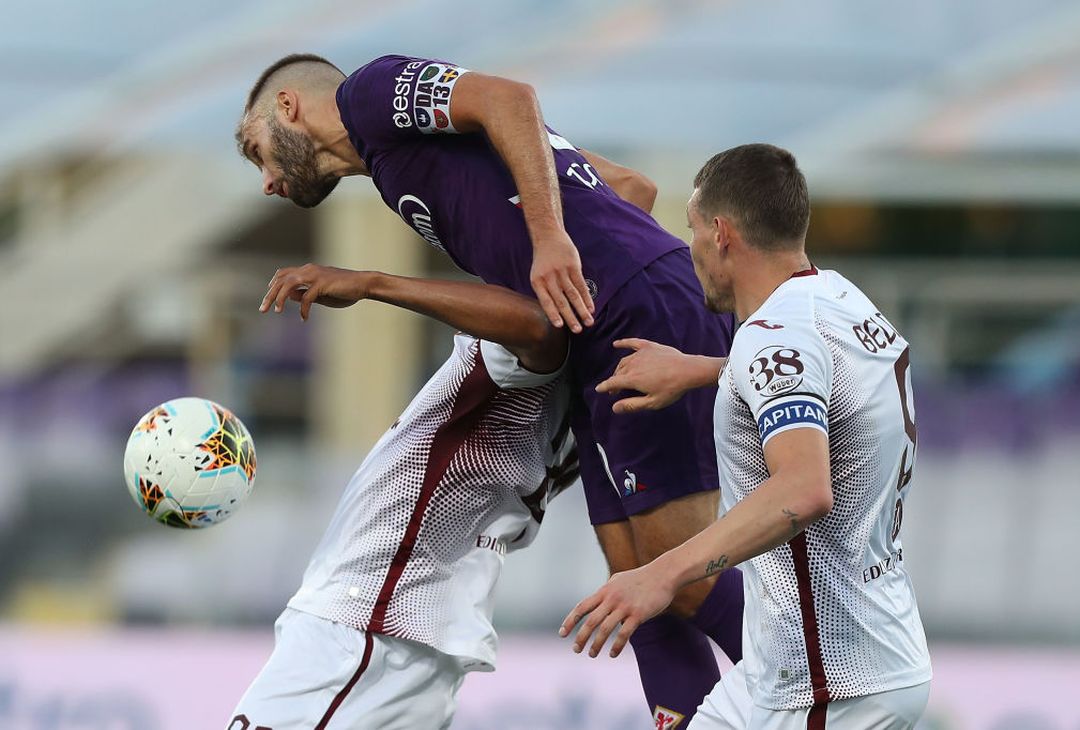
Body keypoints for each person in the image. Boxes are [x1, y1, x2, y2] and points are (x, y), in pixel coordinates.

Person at [234, 53, 743, 726]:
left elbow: (508, 96)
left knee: (682, 573)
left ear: (289, 107)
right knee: (636, 578)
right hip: (598, 327)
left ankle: (837, 691)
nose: (267, 180)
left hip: (637, 310)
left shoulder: (368, 95)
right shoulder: (403, 167)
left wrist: (554, 241)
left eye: (257, 150)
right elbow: (630, 187)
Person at [560, 144, 932, 729]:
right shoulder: (839, 300)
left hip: (830, 682)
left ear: (721, 233)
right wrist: (705, 369)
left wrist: (662, 573)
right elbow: (827, 387)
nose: (690, 250)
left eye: (691, 231)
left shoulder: (772, 335)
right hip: (789, 666)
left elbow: (804, 490)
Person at [228, 266, 576, 729]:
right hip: (407, 633)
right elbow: (631, 191)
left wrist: (372, 284)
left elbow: (539, 328)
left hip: (368, 624)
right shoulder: (578, 396)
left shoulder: (512, 359)